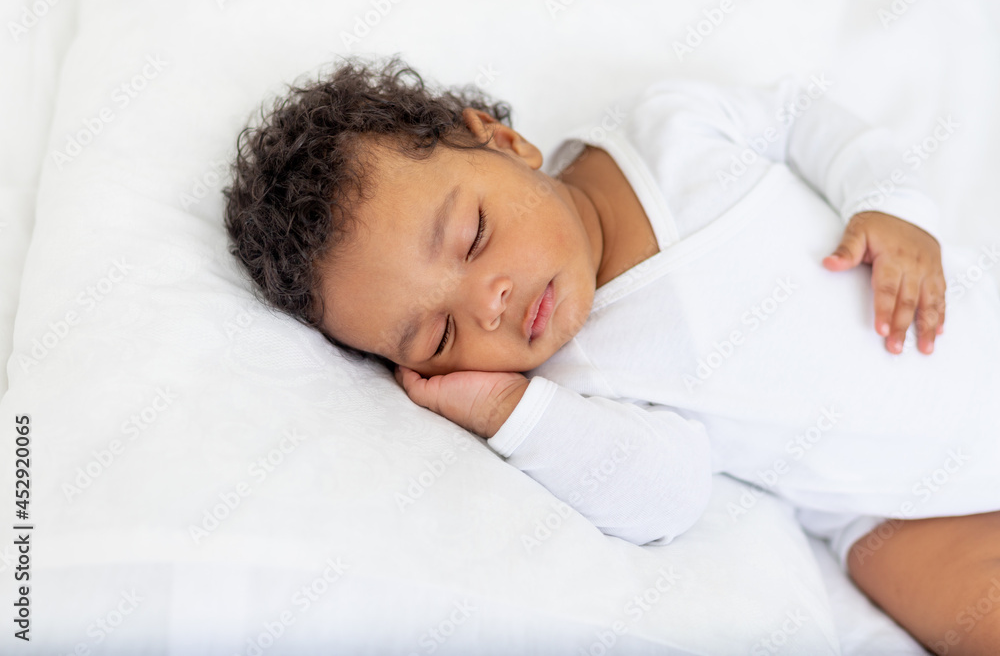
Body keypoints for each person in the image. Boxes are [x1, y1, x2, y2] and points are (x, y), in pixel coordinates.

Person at [223, 55, 1000, 653]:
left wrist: (891, 206)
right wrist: (508, 409)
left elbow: (800, 114)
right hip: (892, 508)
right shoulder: (576, 381)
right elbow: (669, 494)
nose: (488, 303)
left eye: (474, 236)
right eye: (439, 336)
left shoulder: (667, 129)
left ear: (503, 141)